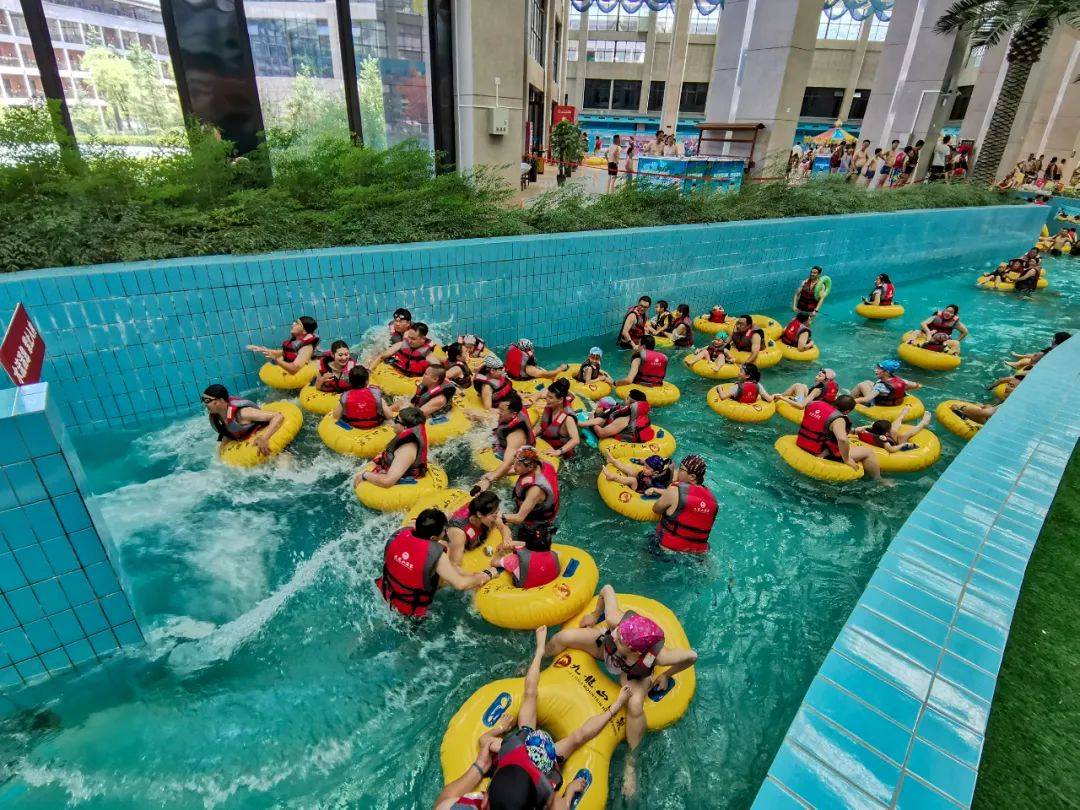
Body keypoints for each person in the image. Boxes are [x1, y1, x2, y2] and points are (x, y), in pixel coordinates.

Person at [435, 627, 630, 810]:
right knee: (576, 736)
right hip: (539, 747)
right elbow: (486, 742)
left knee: (534, 698)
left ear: (485, 798)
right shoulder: (518, 756)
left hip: (539, 748)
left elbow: (482, 741)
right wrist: (569, 793)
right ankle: (613, 708)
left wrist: (498, 730)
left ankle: (540, 651)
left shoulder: (511, 751)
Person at [543, 586, 699, 798]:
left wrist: (667, 675)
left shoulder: (659, 656)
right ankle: (540, 656)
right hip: (604, 652)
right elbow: (607, 589)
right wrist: (594, 614)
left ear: (635, 652)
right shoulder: (616, 624)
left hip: (634, 674)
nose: (614, 636)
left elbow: (691, 656)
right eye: (615, 635)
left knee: (635, 705)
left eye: (618, 640)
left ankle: (631, 763)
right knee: (564, 636)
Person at [377, 508, 498, 620]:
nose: (446, 532)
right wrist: (487, 574)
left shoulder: (400, 533)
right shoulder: (437, 556)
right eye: (444, 531)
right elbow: (460, 584)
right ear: (434, 538)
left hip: (386, 594)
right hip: (410, 611)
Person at [795, 395, 888, 483]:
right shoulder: (839, 419)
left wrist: (854, 431)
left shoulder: (814, 404)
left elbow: (823, 425)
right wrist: (847, 459)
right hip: (820, 451)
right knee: (868, 452)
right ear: (847, 411)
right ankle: (879, 480)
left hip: (802, 442)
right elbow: (842, 439)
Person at [651, 454, 718, 554]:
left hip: (667, 550)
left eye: (682, 469)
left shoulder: (675, 491)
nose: (678, 471)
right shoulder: (713, 500)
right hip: (698, 554)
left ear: (692, 477)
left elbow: (656, 509)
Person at [356, 406, 429, 488]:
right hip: (390, 468)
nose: (392, 422)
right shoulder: (407, 436)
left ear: (405, 427)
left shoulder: (407, 450)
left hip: (402, 482)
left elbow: (388, 481)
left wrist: (364, 475)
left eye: (396, 420)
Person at [202, 385, 283, 457]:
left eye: (207, 401)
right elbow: (229, 431)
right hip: (246, 442)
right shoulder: (217, 417)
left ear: (220, 400)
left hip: (268, 437)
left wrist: (264, 438)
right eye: (203, 400)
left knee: (283, 461)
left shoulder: (243, 413)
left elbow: (278, 416)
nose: (204, 404)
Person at [477, 391, 536, 483]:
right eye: (499, 409)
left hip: (514, 453)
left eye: (502, 411)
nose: (498, 413)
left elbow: (507, 463)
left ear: (513, 414)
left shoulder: (516, 435)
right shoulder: (516, 408)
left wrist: (491, 477)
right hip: (503, 441)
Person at [445, 490, 507, 567]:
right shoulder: (459, 532)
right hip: (458, 544)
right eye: (494, 515)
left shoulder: (488, 514)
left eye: (497, 512)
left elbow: (503, 527)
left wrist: (505, 541)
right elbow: (455, 564)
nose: (498, 517)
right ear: (479, 514)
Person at [494, 524, 561, 589]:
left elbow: (494, 562)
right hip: (547, 588)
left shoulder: (515, 559)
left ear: (526, 541)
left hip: (525, 589)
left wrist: (500, 553)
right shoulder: (554, 555)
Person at [246, 316, 319, 376]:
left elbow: (294, 369)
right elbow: (284, 352)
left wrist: (276, 360)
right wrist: (262, 349)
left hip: (301, 374)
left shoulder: (306, 348)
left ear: (304, 331)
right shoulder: (295, 342)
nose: (293, 324)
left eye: (297, 323)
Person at [580, 388, 653, 443]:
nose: (624, 399)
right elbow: (603, 418)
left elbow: (601, 433)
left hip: (624, 443)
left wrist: (592, 422)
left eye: (627, 398)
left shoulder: (624, 419)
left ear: (629, 402)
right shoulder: (639, 413)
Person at [533, 378, 581, 459]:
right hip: (545, 442)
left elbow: (576, 440)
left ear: (561, 400)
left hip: (560, 453)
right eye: (547, 396)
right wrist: (531, 434)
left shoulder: (568, 418)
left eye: (550, 397)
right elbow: (542, 427)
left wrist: (558, 452)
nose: (547, 399)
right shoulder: (550, 406)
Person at [855, 405, 933, 452]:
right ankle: (923, 423)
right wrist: (905, 445)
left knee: (894, 430)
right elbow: (891, 449)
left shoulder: (867, 431)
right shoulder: (883, 440)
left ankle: (903, 414)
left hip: (881, 434)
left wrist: (870, 426)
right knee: (904, 435)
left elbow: (857, 429)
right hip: (900, 449)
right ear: (886, 433)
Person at [851, 360, 921, 409]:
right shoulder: (901, 380)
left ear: (886, 372)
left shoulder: (880, 386)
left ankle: (850, 398)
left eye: (878, 369)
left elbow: (866, 399)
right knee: (867, 382)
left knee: (861, 384)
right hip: (895, 401)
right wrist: (900, 390)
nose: (875, 370)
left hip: (878, 404)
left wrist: (851, 402)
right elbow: (917, 386)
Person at [602, 452, 673, 493]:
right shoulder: (650, 472)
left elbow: (664, 491)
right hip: (640, 482)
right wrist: (641, 462)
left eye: (647, 468)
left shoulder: (657, 482)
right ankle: (612, 461)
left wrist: (653, 490)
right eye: (644, 465)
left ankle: (612, 477)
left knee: (633, 480)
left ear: (655, 473)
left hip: (638, 491)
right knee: (631, 471)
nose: (644, 468)